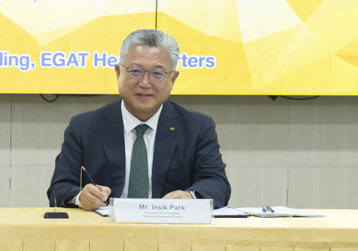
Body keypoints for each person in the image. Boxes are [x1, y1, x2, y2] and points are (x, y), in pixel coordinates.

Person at [47, 29, 230, 210]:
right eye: (135, 71)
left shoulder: (197, 128)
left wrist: (190, 197)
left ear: (173, 79)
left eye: (157, 73)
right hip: (106, 227)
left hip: (170, 227)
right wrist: (81, 197)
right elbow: (59, 188)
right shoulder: (85, 127)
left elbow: (217, 184)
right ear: (118, 73)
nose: (144, 83)